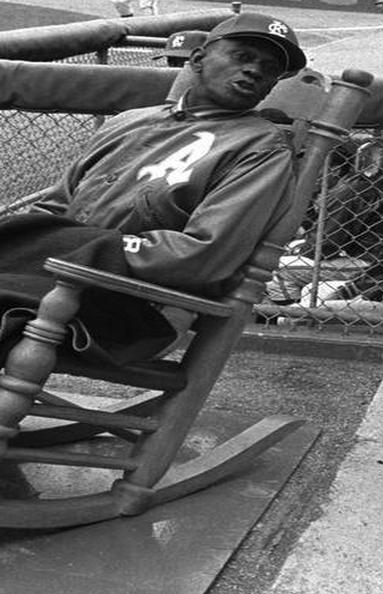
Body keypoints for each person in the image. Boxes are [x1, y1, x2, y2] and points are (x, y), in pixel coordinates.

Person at [0, 12, 307, 365]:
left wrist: (94, 249)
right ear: (198, 59)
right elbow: (54, 210)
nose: (255, 70)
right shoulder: (129, 121)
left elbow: (204, 257)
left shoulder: (260, 149)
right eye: (242, 57)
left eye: (269, 68)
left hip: (140, 305)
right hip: (54, 277)